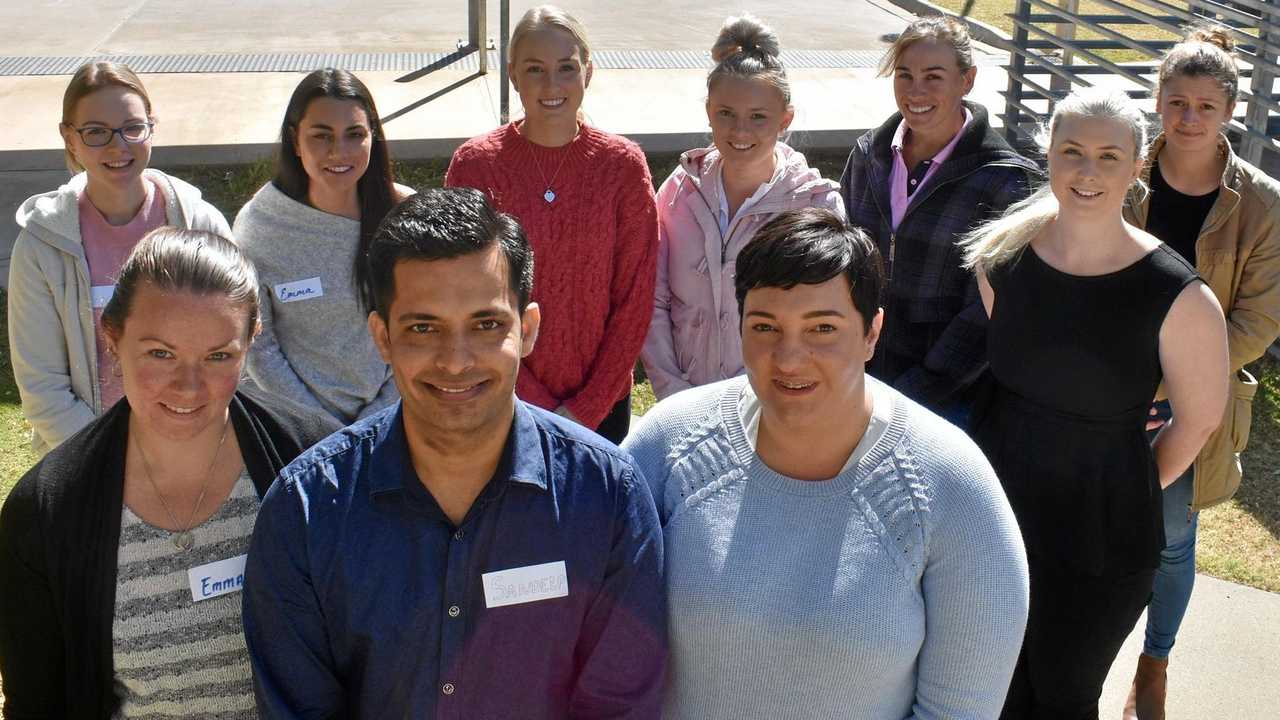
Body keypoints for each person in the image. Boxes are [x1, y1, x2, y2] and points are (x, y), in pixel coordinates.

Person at [242, 188, 666, 718]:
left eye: (486, 325)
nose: (456, 361)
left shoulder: (607, 497)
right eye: (423, 328)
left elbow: (619, 704)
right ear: (382, 337)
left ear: (527, 329)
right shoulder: (305, 510)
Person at [624, 207, 1029, 719]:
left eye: (822, 328)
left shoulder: (951, 484)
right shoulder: (668, 444)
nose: (789, 357)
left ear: (871, 332)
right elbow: (590, 636)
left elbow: (960, 709)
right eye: (765, 326)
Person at [960, 87, 1229, 719]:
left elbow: (1199, 420)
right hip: (996, 518)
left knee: (1061, 695)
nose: (1087, 171)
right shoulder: (999, 261)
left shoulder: (1179, 295)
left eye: (1109, 156)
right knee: (986, 690)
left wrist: (1128, 487)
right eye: (1072, 151)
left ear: (1138, 163)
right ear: (1047, 155)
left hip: (1104, 536)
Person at [0, 228, 337, 718]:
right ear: (112, 338)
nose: (188, 387)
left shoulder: (317, 465)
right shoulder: (46, 512)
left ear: (250, 342)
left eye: (218, 356)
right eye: (161, 353)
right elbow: (38, 702)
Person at [1119, 26, 1280, 720]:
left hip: (1188, 401)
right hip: (1101, 385)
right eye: (1176, 102)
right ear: (1157, 101)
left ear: (1229, 111)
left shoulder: (1264, 204)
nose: (1188, 118)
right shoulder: (1121, 171)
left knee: (1171, 539)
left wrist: (1170, 387)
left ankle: (1154, 663)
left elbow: (1258, 321)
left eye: (1204, 107)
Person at [445, 5, 658, 443]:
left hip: (601, 407)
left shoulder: (622, 167)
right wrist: (527, 399)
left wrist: (586, 408)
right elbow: (463, 291)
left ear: (588, 72)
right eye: (534, 69)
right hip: (499, 397)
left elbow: (636, 296)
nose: (551, 84)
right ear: (512, 76)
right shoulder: (476, 166)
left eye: (566, 68)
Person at [8, 61, 231, 456]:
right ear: (69, 138)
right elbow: (43, 386)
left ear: (151, 127)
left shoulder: (201, 223)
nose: (118, 146)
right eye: (96, 132)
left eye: (132, 128)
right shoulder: (41, 246)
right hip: (87, 457)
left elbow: (234, 346)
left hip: (195, 450)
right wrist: (114, 457)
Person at [840, 16, 1039, 422]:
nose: (916, 91)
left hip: (947, 401)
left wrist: (920, 389)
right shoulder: (867, 156)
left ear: (967, 80)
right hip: (855, 381)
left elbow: (988, 313)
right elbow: (842, 260)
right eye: (905, 75)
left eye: (934, 77)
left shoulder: (1005, 179)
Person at [641, 14, 844, 400]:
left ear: (785, 120)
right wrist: (673, 390)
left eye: (758, 117)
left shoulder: (816, 205)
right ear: (709, 111)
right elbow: (653, 298)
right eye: (726, 114)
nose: (739, 131)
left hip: (775, 406)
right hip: (683, 401)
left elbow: (824, 325)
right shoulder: (679, 191)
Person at [234, 68, 413, 427]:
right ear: (295, 140)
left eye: (354, 134)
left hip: (395, 421)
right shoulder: (259, 228)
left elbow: (422, 327)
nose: (339, 151)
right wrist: (320, 427)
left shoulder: (406, 215)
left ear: (373, 138)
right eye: (321, 136)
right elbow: (257, 343)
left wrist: (373, 423)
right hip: (293, 428)